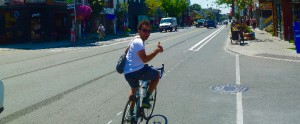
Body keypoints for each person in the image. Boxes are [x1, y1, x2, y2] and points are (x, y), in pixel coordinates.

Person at [123, 20, 163, 114]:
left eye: (149, 31)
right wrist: (157, 51)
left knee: (134, 90)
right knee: (157, 75)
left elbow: (126, 52)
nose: (147, 33)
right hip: (138, 71)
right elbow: (145, 59)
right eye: (144, 30)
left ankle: (130, 113)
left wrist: (134, 61)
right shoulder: (139, 42)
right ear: (139, 31)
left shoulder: (134, 40)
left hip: (127, 72)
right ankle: (146, 99)